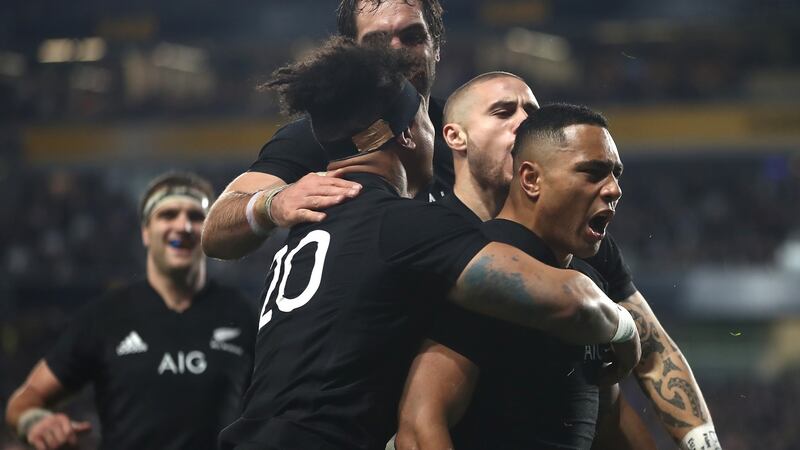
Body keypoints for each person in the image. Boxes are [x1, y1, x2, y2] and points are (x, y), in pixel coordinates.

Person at [202, 1, 720, 448]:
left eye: (412, 34)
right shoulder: (373, 178)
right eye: (378, 40)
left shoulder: (555, 213)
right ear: (450, 136)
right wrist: (272, 202)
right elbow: (217, 230)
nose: (398, 49)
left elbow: (624, 372)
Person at [396, 101, 656, 450]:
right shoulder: (478, 274)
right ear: (531, 180)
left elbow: (606, 417)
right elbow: (419, 428)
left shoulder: (590, 279)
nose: (613, 189)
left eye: (615, 175)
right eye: (593, 173)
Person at [4, 172, 256, 450]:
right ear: (145, 232)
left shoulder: (243, 314)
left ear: (209, 230)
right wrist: (36, 421)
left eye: (196, 217)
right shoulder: (106, 317)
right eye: (168, 215)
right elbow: (25, 400)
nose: (183, 226)